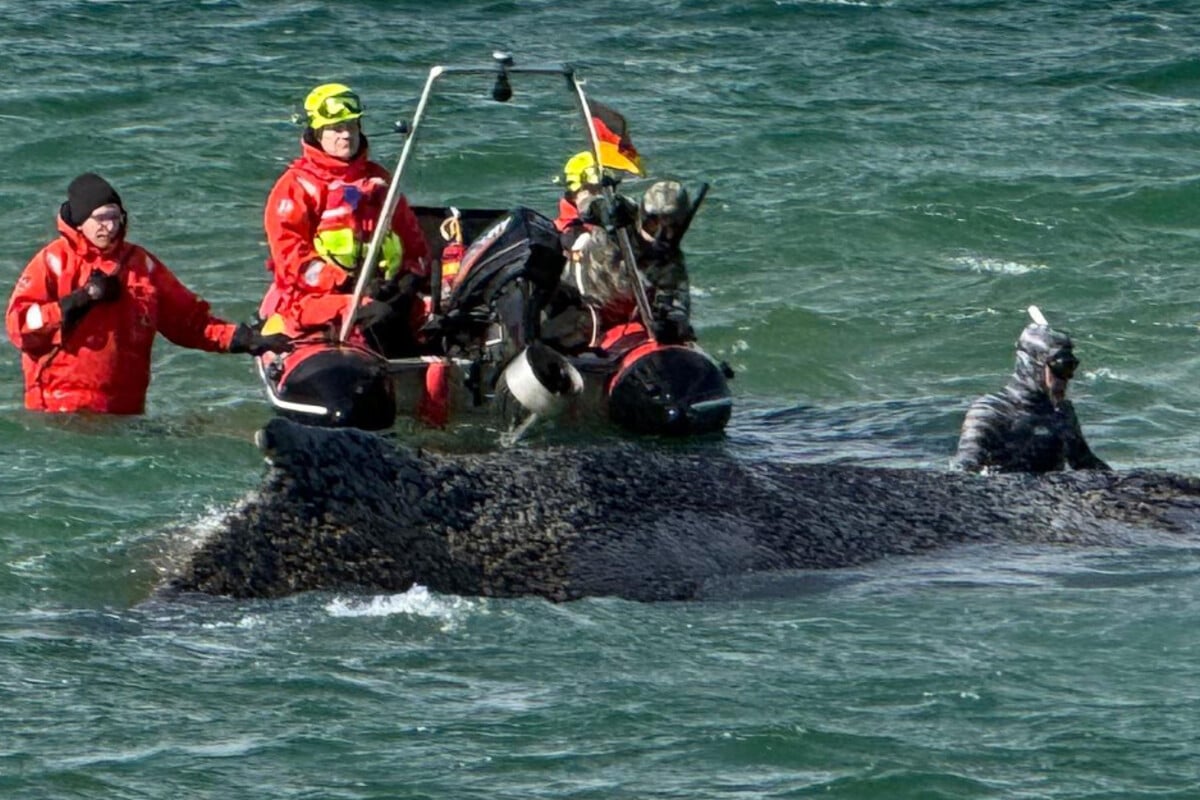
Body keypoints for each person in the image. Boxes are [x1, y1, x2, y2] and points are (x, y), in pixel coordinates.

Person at [6, 173, 291, 414]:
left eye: (115, 217)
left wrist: (245, 339)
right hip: (59, 411)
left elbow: (190, 323)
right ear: (80, 222)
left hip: (124, 413)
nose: (110, 226)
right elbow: (19, 326)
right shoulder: (52, 262)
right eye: (101, 219)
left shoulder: (142, 265)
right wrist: (81, 299)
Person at [262, 82, 430, 352]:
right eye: (337, 129)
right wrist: (346, 284)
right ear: (318, 132)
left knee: (432, 324)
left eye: (352, 127)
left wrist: (408, 281)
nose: (346, 136)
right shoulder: (296, 187)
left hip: (382, 290)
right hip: (316, 298)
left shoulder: (378, 180)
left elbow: (412, 239)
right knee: (379, 321)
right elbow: (293, 259)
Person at [546, 179, 695, 349]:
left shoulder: (671, 263)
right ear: (643, 215)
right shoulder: (624, 212)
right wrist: (602, 210)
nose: (659, 233)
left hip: (622, 321)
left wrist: (669, 324)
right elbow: (587, 204)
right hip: (579, 297)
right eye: (653, 224)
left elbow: (679, 307)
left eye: (670, 227)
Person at [953, 315, 1111, 474]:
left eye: (1071, 367)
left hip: (1052, 496)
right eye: (1060, 368)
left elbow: (1085, 463)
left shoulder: (1062, 414)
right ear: (1034, 365)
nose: (1066, 378)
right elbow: (965, 466)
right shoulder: (992, 411)